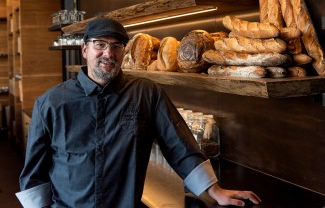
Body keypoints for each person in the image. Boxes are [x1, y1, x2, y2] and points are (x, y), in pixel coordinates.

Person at [16, 17, 261, 208]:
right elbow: (34, 172)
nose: (107, 54)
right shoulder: (51, 102)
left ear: (124, 53)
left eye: (116, 46)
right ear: (84, 50)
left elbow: (179, 145)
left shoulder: (146, 93)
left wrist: (215, 190)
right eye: (99, 45)